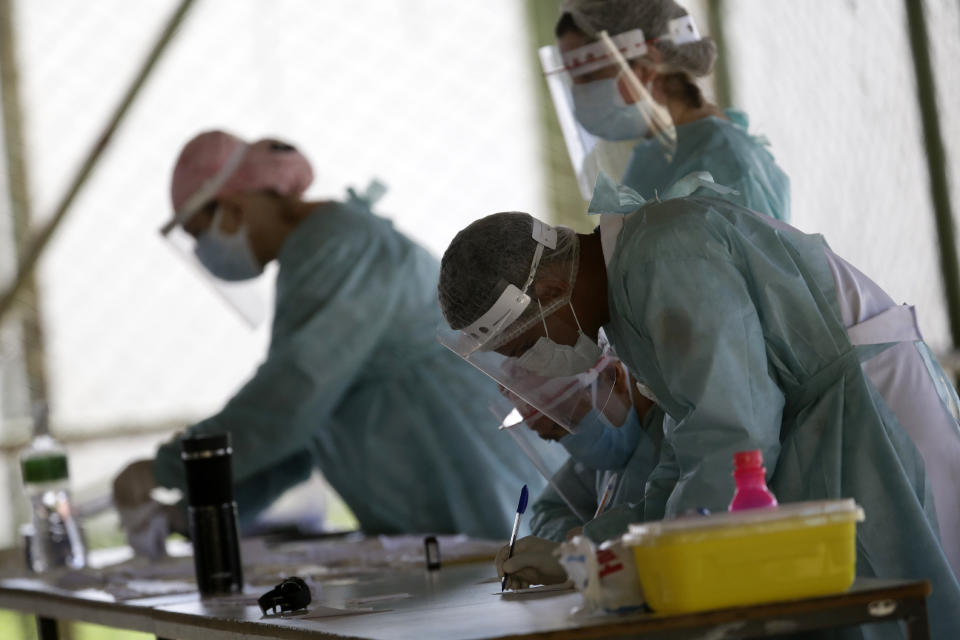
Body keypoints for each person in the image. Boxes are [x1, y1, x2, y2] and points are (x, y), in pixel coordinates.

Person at [436, 177, 960, 637]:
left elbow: (732, 441)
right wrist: (589, 549)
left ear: (551, 290)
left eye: (526, 348)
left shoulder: (664, 258)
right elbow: (687, 455)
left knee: (902, 603)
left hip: (875, 419)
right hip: (836, 422)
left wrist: (630, 564)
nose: (537, 366)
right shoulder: (632, 292)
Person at [112, 130, 561, 544]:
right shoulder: (317, 254)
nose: (205, 252)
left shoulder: (341, 246)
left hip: (477, 483)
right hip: (440, 505)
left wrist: (171, 467)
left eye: (200, 234)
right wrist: (198, 510)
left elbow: (290, 398)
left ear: (234, 206)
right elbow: (301, 432)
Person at [551, 0, 790, 221]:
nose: (577, 93)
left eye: (587, 75)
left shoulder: (730, 171)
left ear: (644, 69)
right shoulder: (657, 154)